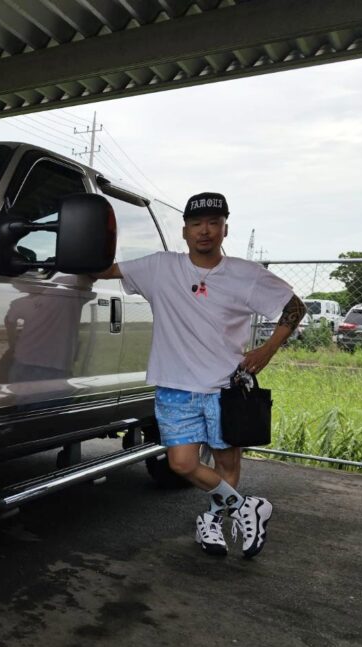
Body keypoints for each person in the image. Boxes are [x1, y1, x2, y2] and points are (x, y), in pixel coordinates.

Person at [91, 192, 305, 559]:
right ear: (185, 230)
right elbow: (107, 270)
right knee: (182, 464)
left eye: (213, 223)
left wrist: (266, 350)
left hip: (226, 388)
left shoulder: (246, 274)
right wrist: (72, 250)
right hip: (175, 388)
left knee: (226, 464)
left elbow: (294, 307)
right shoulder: (160, 267)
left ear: (225, 228)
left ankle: (212, 523)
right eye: (196, 224)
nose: (204, 231)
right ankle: (246, 507)